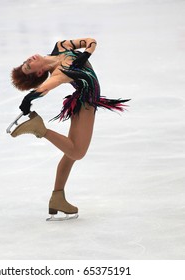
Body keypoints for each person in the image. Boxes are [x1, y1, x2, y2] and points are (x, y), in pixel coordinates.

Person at [10, 38, 129, 221]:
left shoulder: (61, 46)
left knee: (71, 154)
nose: (29, 60)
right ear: (39, 71)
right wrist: (29, 99)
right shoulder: (59, 73)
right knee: (77, 152)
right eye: (29, 66)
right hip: (86, 103)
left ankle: (57, 198)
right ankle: (40, 129)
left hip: (85, 100)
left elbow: (91, 41)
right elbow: (45, 88)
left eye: (26, 62)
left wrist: (86, 55)